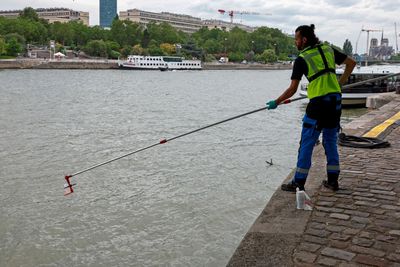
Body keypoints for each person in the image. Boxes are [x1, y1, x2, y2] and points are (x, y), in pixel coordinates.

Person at [266, 24, 356, 192]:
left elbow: (293, 89)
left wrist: (276, 102)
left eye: (296, 39)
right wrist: (340, 83)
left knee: (307, 142)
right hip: (335, 102)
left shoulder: (302, 58)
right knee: (330, 141)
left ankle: (298, 183)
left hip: (318, 106)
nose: (295, 43)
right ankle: (333, 181)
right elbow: (351, 63)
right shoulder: (328, 49)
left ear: (304, 39)